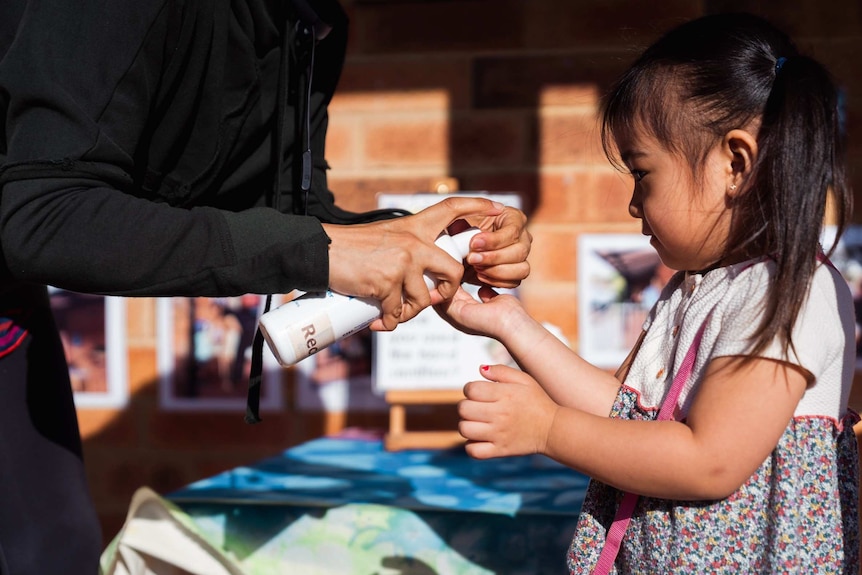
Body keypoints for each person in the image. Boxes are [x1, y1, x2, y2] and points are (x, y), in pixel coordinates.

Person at [0, 0, 532, 573]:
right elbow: (46, 217)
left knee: (56, 555)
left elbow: (293, 211)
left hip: (12, 305)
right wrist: (320, 252)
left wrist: (431, 245)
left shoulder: (317, 19)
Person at [438, 12, 858, 574]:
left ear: (736, 164)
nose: (634, 205)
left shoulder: (789, 291)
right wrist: (507, 322)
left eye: (643, 174)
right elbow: (625, 413)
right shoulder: (697, 287)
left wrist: (546, 428)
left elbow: (709, 461)